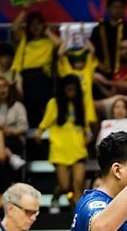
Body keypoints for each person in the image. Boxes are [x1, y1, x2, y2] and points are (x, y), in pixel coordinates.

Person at [37, 75, 90, 215]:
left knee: (78, 183)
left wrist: (88, 135)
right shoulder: (54, 103)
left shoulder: (81, 103)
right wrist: (39, 132)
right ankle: (56, 196)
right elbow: (45, 122)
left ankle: (79, 215)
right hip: (60, 149)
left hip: (78, 148)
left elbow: (86, 126)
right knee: (66, 185)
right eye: (68, 86)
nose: (71, 89)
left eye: (74, 86)